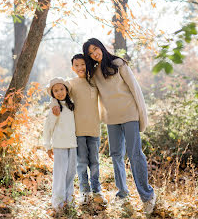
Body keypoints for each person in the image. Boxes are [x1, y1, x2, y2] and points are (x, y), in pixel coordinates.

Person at [82, 38, 156, 215]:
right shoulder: (94, 73)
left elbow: (135, 89)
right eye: (90, 53)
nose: (95, 54)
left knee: (135, 153)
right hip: (111, 119)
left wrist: (141, 116)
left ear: (101, 46)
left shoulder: (118, 63)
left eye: (95, 49)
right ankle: (123, 194)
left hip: (129, 114)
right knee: (116, 155)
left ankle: (147, 196)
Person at [51, 54, 107, 205]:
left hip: (94, 129)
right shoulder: (71, 84)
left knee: (94, 162)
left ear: (87, 65)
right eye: (77, 65)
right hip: (78, 131)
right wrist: (53, 105)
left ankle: (97, 191)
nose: (80, 68)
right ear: (72, 68)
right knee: (82, 163)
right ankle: (85, 192)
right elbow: (55, 90)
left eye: (83, 64)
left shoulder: (94, 82)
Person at [43, 77, 77, 215]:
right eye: (55, 91)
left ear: (66, 90)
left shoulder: (71, 105)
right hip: (59, 146)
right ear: (52, 93)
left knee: (70, 173)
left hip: (73, 145)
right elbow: (47, 128)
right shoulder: (54, 108)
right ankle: (58, 203)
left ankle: (69, 200)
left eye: (61, 89)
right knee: (60, 175)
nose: (59, 92)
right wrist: (47, 146)